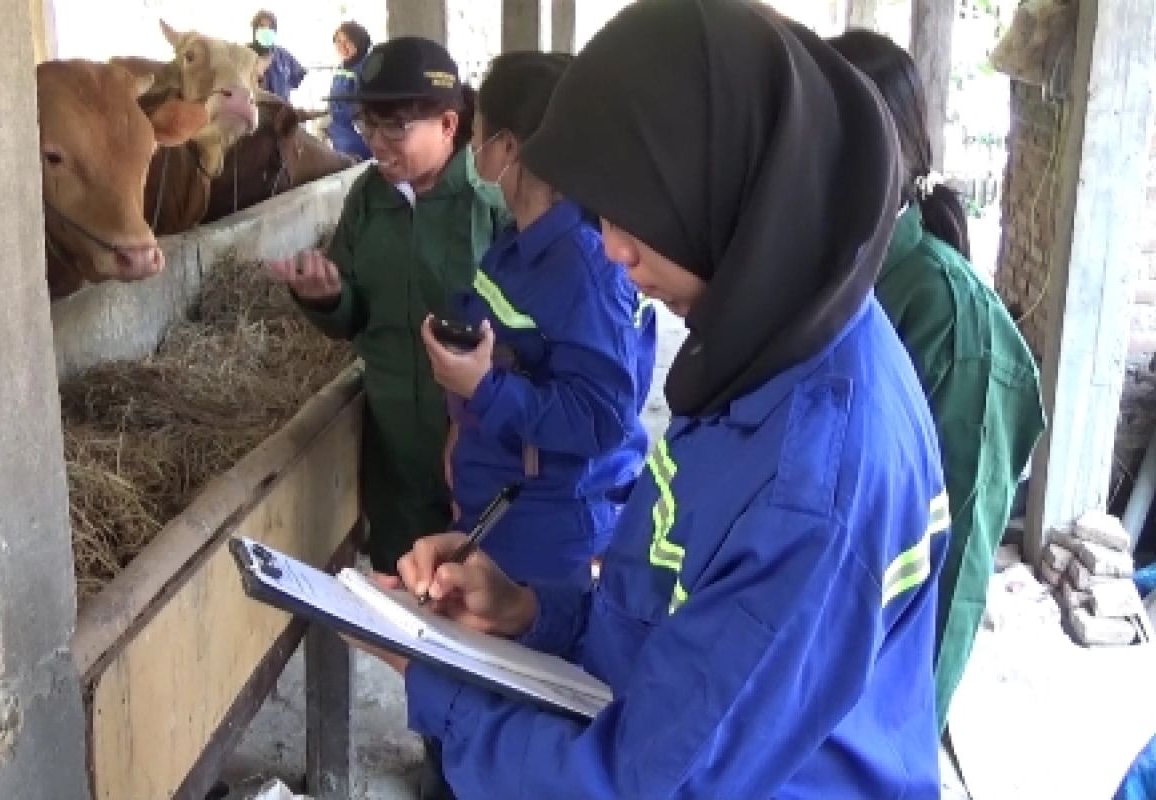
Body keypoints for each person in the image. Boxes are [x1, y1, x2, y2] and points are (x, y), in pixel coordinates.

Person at [360, 1, 952, 797]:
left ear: (736, 189)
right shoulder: (776, 333)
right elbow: (679, 605)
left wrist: (437, 681)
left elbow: (645, 784)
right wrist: (534, 612)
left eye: (644, 213)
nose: (612, 248)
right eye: (601, 211)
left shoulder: (809, 483)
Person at [830, 28, 1046, 729]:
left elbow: (950, 580)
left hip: (872, 700)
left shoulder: (954, 325)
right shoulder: (834, 275)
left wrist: (898, 744)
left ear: (878, 148)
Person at [265, 37, 507, 581]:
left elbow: (528, 330)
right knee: (403, 589)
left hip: (477, 443)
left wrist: (477, 414)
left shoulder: (491, 203)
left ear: (448, 125)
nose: (376, 143)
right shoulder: (367, 199)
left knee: (477, 595)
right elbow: (352, 316)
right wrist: (326, 297)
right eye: (369, 125)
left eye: (395, 127)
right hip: (393, 443)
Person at [421, 51, 657, 589]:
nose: (473, 153)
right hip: (500, 508)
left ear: (509, 146)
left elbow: (601, 417)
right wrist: (462, 426)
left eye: (478, 136)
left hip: (546, 530)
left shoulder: (584, 267)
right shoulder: (516, 244)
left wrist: (483, 389)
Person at [327, 21, 373, 160]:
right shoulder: (342, 68)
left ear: (359, 42)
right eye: (338, 42)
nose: (342, 46)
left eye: (348, 41)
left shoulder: (368, 68)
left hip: (361, 142)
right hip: (341, 140)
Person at [250, 9, 306, 102]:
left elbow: (298, 75)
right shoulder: (245, 54)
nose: (266, 30)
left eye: (270, 27)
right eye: (262, 26)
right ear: (255, 30)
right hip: (255, 110)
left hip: (281, 110)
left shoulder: (283, 55)